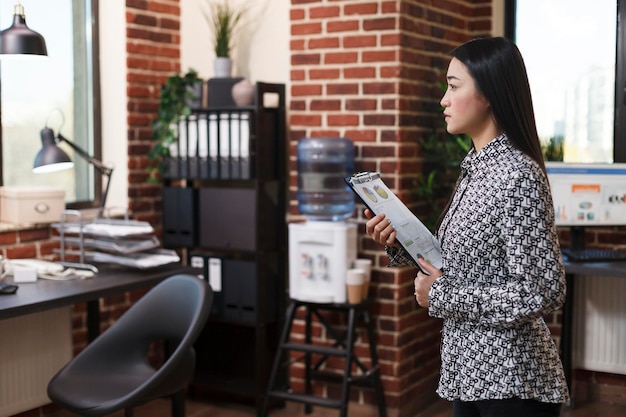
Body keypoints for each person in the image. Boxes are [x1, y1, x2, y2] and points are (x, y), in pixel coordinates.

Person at [365, 36, 569, 417]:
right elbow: (459, 262)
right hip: (472, 375)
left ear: (489, 93)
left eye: (454, 86)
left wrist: (442, 296)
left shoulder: (516, 175)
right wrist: (397, 243)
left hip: (512, 380)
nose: (444, 98)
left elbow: (543, 291)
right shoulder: (477, 168)